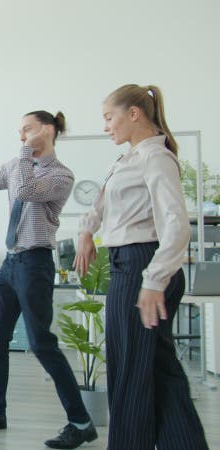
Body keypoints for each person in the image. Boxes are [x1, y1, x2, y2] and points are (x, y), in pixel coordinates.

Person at [74, 84, 208, 450]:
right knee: (157, 369)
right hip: (131, 268)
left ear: (134, 113)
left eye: (108, 117)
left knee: (130, 373)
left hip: (141, 269)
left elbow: (177, 225)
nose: (105, 127)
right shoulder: (130, 158)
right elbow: (103, 203)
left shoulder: (155, 158)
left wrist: (153, 281)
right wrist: (87, 231)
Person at [0, 111, 97, 449]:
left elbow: (24, 189)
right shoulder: (14, 164)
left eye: (27, 130)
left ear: (48, 130)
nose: (21, 137)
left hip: (35, 264)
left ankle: (80, 422)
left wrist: (25, 153)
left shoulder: (61, 175)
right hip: (10, 264)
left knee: (41, 344)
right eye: (19, 132)